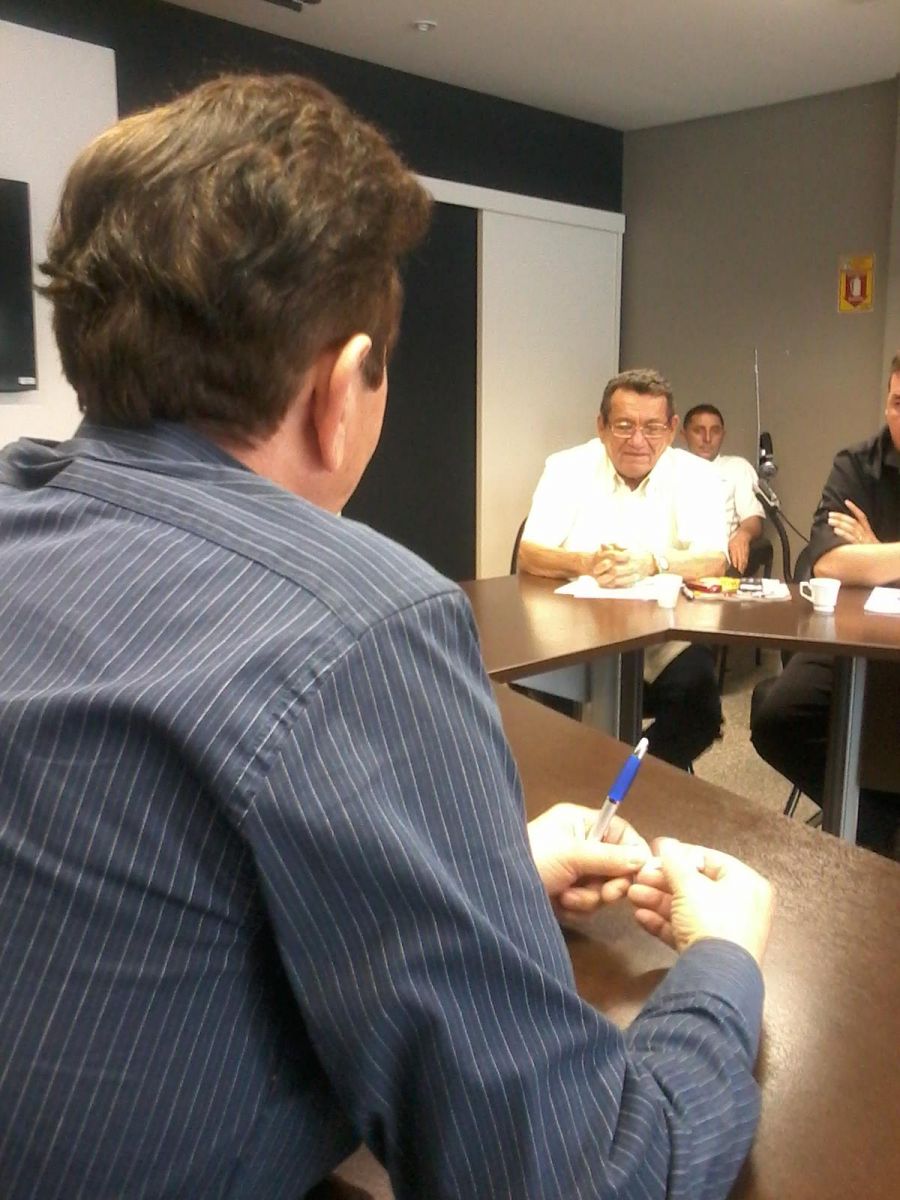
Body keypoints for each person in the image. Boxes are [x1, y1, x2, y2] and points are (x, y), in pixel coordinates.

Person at [0, 75, 773, 1199]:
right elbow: (585, 1178)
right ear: (340, 389)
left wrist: (488, 882)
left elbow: (141, 924)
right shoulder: (360, 627)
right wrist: (726, 963)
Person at [518, 369, 728, 769]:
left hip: (664, 642)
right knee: (538, 708)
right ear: (601, 426)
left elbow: (714, 560)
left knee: (700, 708)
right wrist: (586, 563)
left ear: (672, 429)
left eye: (652, 427)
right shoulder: (566, 467)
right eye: (624, 425)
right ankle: (579, 777)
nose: (637, 440)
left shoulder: (698, 475)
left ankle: (624, 783)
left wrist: (652, 562)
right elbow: (530, 554)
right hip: (572, 637)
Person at [751, 354, 900, 856]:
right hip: (854, 635)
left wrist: (875, 555)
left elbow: (854, 564)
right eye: (899, 402)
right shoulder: (857, 464)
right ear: (887, 402)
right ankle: (872, 823)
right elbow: (828, 563)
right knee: (778, 716)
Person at [681, 404, 766, 575]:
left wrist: (743, 535)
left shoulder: (737, 467)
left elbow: (753, 518)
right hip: (676, 559)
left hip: (721, 559)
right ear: (683, 435)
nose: (707, 438)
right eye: (698, 431)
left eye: (715, 431)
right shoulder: (670, 468)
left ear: (723, 435)